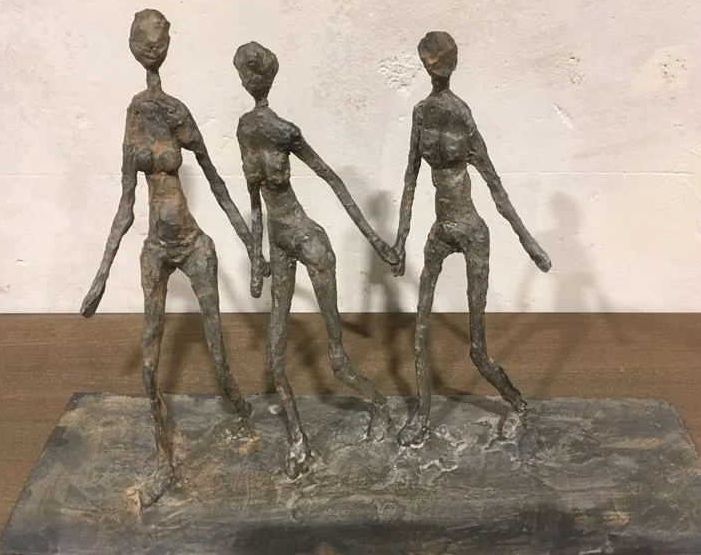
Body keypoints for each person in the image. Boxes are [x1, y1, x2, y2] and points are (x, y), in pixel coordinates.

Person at [81, 10, 266, 505]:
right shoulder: (135, 114)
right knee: (150, 351)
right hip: (156, 248)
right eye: (144, 40)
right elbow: (125, 204)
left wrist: (251, 244)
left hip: (193, 242)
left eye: (157, 39)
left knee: (217, 350)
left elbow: (216, 180)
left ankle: (240, 408)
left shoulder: (175, 111)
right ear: (134, 46)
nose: (152, 48)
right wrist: (100, 277)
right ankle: (162, 458)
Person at [233, 41, 398, 478]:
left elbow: (331, 178)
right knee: (274, 360)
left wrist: (375, 240)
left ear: (261, 78)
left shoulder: (285, 131)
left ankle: (380, 405)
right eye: (244, 73)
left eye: (251, 73)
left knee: (336, 361)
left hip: (309, 242)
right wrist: (256, 257)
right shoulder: (245, 129)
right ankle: (298, 441)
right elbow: (254, 204)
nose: (247, 79)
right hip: (279, 247)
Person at [392, 31, 551, 446]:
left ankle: (517, 403)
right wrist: (400, 240)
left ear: (452, 64)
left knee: (476, 350)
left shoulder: (462, 115)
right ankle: (422, 416)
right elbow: (410, 179)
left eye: (441, 60)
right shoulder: (421, 113)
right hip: (441, 232)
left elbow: (495, 186)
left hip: (472, 233)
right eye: (430, 60)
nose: (435, 66)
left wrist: (528, 243)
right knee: (419, 333)